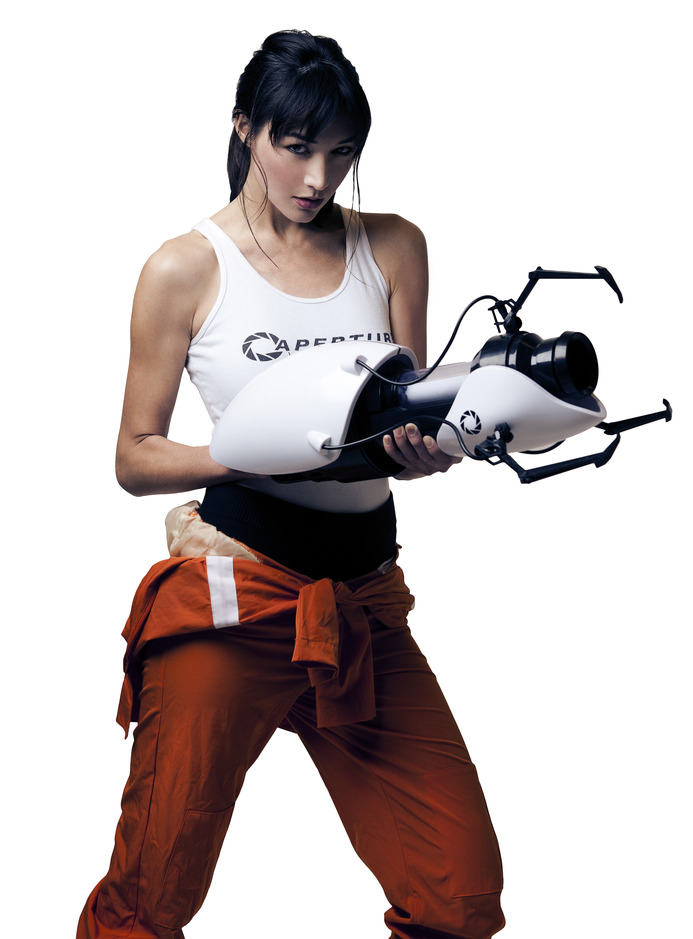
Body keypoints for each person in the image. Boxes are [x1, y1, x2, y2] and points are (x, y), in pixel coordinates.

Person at [77, 29, 505, 939]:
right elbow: (134, 455)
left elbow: (400, 412)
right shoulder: (185, 268)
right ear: (246, 129)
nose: (318, 177)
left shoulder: (393, 245)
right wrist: (254, 453)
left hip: (361, 600)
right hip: (236, 593)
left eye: (341, 153)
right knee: (151, 893)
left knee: (460, 891)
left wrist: (427, 447)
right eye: (296, 146)